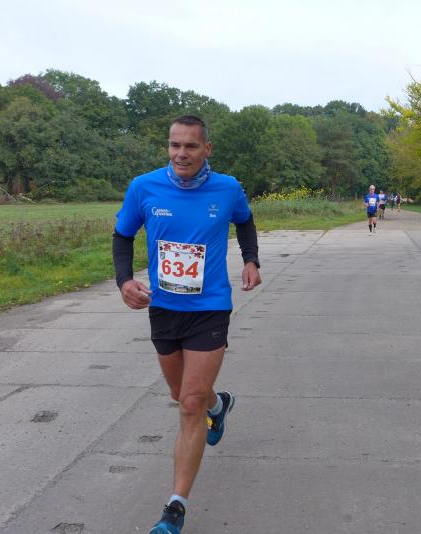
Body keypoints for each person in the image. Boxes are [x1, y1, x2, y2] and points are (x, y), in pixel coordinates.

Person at [112, 115, 261, 534]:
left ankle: (174, 507)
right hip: (163, 308)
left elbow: (245, 220)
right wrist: (124, 281)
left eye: (191, 146)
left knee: (190, 403)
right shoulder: (144, 187)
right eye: (174, 145)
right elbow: (122, 236)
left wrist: (251, 259)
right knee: (182, 394)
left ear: (206, 149)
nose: (181, 154)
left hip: (210, 307)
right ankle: (220, 405)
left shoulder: (227, 188)